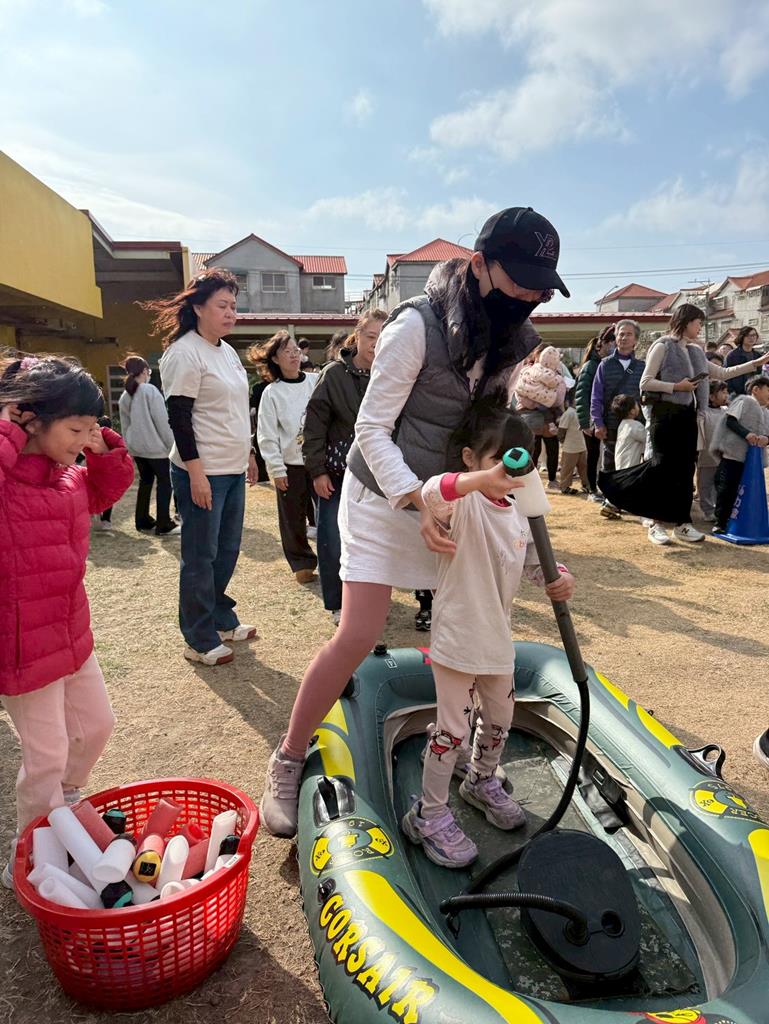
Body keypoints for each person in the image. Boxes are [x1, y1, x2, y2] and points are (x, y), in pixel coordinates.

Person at [259, 204, 570, 838]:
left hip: (451, 497)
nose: (530, 298)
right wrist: (414, 499)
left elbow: (486, 430)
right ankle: (287, 758)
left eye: (542, 289)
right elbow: (370, 430)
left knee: (475, 624)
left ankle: (478, 770)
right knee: (357, 632)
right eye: (521, 282)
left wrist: (532, 414)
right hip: (384, 496)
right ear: (480, 265)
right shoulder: (414, 327)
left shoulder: (513, 339)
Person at [401, 402, 574, 867]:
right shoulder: (463, 502)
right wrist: (480, 480)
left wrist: (558, 576)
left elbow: (536, 563)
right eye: (496, 460)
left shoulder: (520, 512)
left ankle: (480, 779)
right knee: (451, 731)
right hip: (458, 638)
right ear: (470, 458)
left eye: (517, 462)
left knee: (500, 718)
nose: (506, 473)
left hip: (497, 638)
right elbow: (432, 491)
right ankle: (428, 814)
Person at [0, 355, 134, 887]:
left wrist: (105, 450)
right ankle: (29, 852)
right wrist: (8, 432)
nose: (83, 440)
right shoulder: (7, 480)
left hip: (69, 632)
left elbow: (104, 491)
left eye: (90, 428)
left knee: (96, 726)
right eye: (75, 430)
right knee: (46, 757)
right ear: (29, 420)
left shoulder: (68, 478)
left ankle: (67, 802)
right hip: (21, 645)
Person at [148, 269, 257, 667]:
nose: (231, 313)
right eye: (222, 305)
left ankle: (220, 617)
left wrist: (248, 453)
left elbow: (236, 410)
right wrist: (196, 473)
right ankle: (197, 638)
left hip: (232, 467)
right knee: (200, 555)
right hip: (202, 470)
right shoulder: (184, 353)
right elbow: (179, 418)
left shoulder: (226, 351)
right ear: (198, 307)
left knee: (226, 550)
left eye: (234, 306)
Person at [599, 305, 769, 547]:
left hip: (688, 416)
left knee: (685, 470)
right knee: (662, 469)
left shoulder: (696, 351)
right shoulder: (663, 346)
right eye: (698, 322)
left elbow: (722, 372)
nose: (700, 327)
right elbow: (646, 382)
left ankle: (682, 523)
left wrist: (757, 363)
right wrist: (677, 387)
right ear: (686, 321)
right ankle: (656, 523)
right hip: (664, 414)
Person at [302, 309, 387, 622]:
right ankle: (338, 604)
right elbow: (314, 425)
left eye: (383, 337)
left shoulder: (392, 373)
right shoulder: (334, 374)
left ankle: (370, 602)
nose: (375, 344)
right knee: (333, 541)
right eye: (370, 336)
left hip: (379, 476)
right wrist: (317, 470)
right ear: (358, 336)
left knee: (375, 544)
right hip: (338, 474)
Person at [252, 331, 318, 584]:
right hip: (291, 465)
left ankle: (334, 559)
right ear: (275, 359)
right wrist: (276, 469)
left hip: (319, 462)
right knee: (292, 518)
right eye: (286, 352)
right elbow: (266, 434)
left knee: (329, 515)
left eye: (295, 350)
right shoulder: (272, 393)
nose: (293, 355)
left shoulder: (316, 381)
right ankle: (302, 563)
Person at [118, 355, 179, 536]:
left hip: (137, 448)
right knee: (165, 482)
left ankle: (142, 519)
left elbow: (125, 425)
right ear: (145, 371)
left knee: (145, 481)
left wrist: (130, 446)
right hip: (156, 448)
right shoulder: (149, 391)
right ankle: (163, 523)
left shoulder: (125, 395)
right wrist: (172, 445)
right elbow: (162, 421)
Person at [710, 375, 769, 534]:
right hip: (733, 456)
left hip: (753, 462)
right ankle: (721, 522)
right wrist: (746, 434)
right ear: (756, 389)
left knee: (747, 491)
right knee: (727, 489)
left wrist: (766, 439)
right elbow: (731, 421)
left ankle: (741, 521)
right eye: (768, 389)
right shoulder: (744, 401)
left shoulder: (766, 412)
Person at [589, 319, 645, 481]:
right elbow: (596, 396)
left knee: (633, 467)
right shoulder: (604, 365)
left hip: (636, 425)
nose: (624, 338)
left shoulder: (642, 366)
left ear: (635, 339)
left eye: (629, 334)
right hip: (611, 425)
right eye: (621, 334)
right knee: (609, 466)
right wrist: (598, 423)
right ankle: (608, 495)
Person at [514, 345, 566, 492]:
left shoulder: (529, 371)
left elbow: (521, 393)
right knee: (536, 449)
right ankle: (538, 479)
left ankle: (544, 479)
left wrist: (536, 400)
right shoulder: (545, 373)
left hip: (534, 414)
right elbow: (558, 396)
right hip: (536, 415)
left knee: (546, 449)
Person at [575, 326, 614, 499]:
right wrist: (585, 422)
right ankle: (592, 489)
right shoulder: (591, 366)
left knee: (603, 455)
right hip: (592, 418)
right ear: (603, 344)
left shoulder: (608, 364)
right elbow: (581, 395)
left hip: (606, 416)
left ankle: (602, 488)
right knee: (594, 455)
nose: (614, 346)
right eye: (611, 342)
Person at [696, 381, 728, 522]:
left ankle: (718, 509)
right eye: (723, 392)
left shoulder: (726, 411)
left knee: (719, 485)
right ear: (711, 397)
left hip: (722, 456)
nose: (726, 395)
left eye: (726, 392)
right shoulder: (703, 413)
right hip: (706, 456)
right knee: (705, 485)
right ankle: (708, 510)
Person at [557, 396, 589, 494]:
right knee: (567, 468)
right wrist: (564, 442)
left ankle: (586, 485)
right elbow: (562, 430)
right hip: (570, 447)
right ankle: (564, 486)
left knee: (584, 467)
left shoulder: (581, 412)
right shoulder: (569, 413)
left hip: (581, 445)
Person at [725, 326, 761, 397]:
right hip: (737, 392)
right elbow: (726, 374)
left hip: (753, 392)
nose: (751, 338)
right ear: (742, 337)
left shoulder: (757, 355)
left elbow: (759, 374)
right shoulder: (733, 355)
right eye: (748, 335)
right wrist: (731, 392)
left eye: (754, 335)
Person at [612, 395, 645, 470]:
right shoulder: (636, 426)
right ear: (632, 411)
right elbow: (648, 439)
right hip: (631, 469)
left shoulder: (622, 425)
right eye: (636, 404)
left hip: (621, 467)